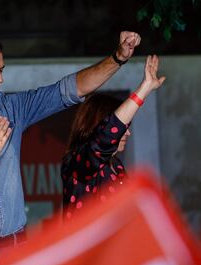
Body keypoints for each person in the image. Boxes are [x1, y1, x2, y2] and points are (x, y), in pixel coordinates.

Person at [0, 32, 141, 256]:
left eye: (0, 70)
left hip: (16, 249)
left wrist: (118, 58)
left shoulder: (11, 108)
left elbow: (71, 89)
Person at [61, 55, 165, 220]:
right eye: (124, 127)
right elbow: (105, 138)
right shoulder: (78, 162)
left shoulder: (115, 165)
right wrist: (143, 90)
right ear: (98, 124)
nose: (128, 133)